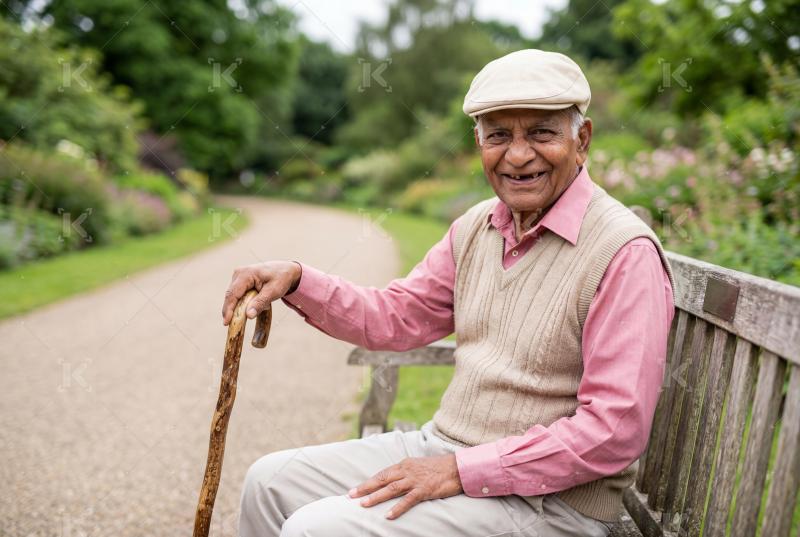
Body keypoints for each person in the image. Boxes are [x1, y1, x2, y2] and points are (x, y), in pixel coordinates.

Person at [223, 48, 676, 537]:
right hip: (445, 450)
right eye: (499, 135)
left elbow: (613, 431)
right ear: (478, 142)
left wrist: (462, 471)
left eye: (541, 132)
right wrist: (297, 278)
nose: (518, 155)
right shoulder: (478, 227)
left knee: (319, 529)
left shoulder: (623, 252)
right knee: (269, 482)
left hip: (550, 504)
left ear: (580, 139)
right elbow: (394, 317)